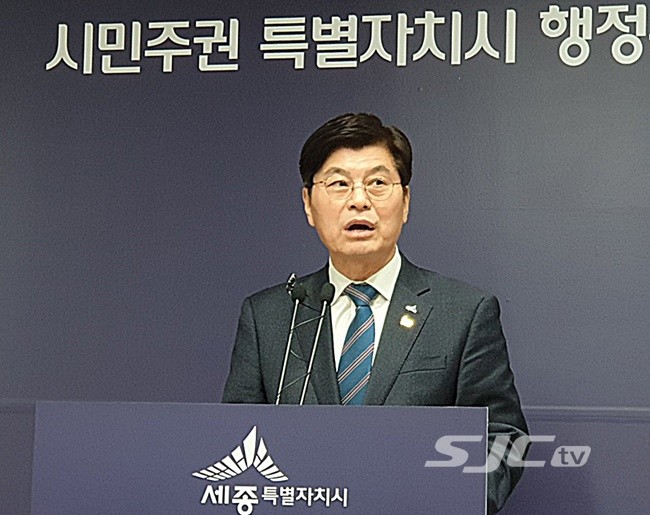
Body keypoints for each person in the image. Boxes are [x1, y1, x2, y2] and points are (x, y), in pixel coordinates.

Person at [222, 112, 528, 513]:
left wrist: (444, 502)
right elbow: (236, 441)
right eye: (338, 184)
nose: (359, 200)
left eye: (378, 183)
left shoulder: (463, 313)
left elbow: (503, 439)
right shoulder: (270, 317)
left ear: (405, 202)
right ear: (309, 204)